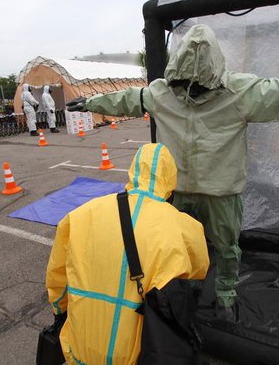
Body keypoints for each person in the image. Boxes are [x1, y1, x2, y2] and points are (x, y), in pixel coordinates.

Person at [66, 24, 279, 318]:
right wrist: (91, 102)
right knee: (172, 244)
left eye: (199, 87)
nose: (192, 93)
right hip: (176, 190)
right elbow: (127, 99)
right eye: (185, 85)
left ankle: (226, 294)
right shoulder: (162, 93)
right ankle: (178, 290)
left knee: (226, 246)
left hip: (221, 192)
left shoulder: (240, 93)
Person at [46, 143, 209, 365]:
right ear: (170, 179)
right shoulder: (184, 227)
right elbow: (200, 270)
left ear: (132, 170)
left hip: (81, 348)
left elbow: (58, 277)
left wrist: (59, 310)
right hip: (137, 352)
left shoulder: (81, 215)